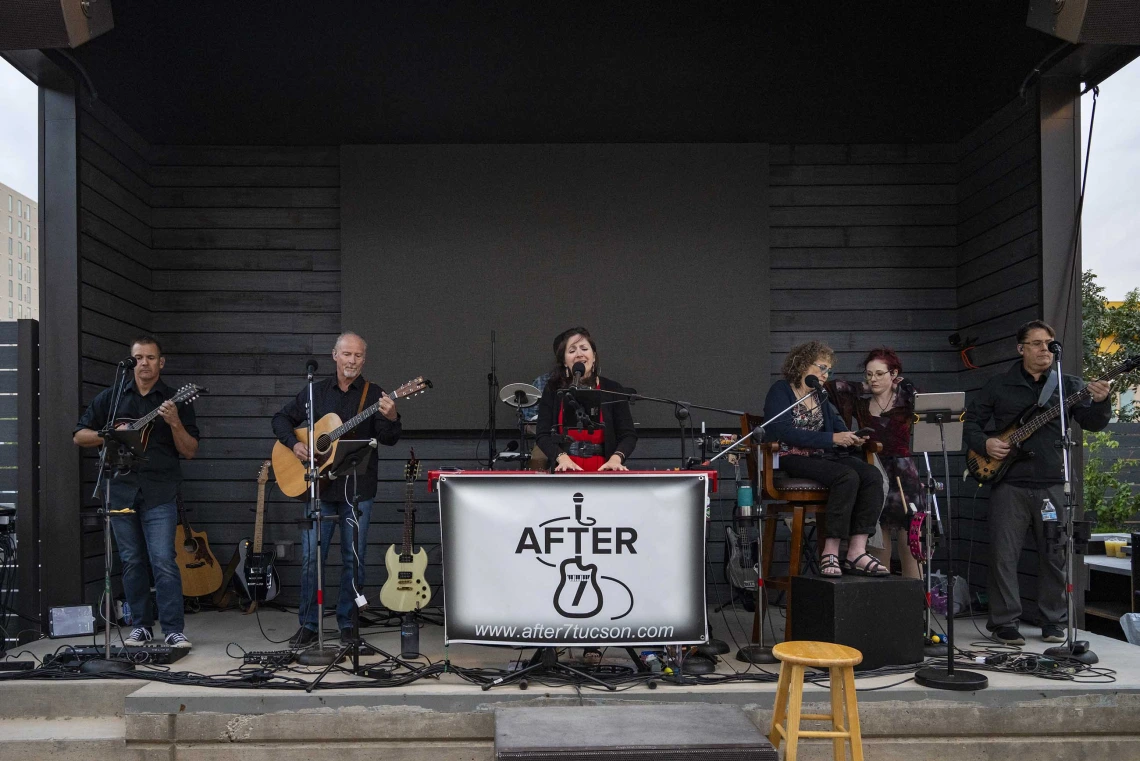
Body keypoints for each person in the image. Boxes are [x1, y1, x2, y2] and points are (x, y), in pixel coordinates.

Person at [964, 320, 1111, 645]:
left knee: (1055, 553)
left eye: (1049, 344)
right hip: (1009, 483)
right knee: (1003, 556)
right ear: (1021, 348)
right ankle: (1004, 623)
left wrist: (1102, 401)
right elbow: (970, 421)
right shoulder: (999, 385)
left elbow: (1092, 423)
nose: (1045, 349)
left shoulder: (1068, 385)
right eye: (1037, 343)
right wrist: (985, 444)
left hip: (1052, 482)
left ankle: (1054, 621)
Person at [272, 332, 402, 647]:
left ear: (364, 359)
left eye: (358, 356)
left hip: (357, 490)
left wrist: (393, 416)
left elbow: (388, 438)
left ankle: (348, 624)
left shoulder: (375, 395)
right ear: (335, 355)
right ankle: (309, 626)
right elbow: (280, 419)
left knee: (352, 558)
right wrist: (295, 445)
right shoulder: (315, 392)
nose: (352, 361)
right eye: (347, 354)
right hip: (319, 488)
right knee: (311, 558)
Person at [73, 336, 200, 650]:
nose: (145, 363)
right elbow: (79, 435)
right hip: (119, 489)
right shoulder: (113, 399)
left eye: (151, 357)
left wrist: (173, 423)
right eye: (139, 358)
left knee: (163, 560)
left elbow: (190, 450)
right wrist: (110, 436)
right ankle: (140, 626)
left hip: (159, 490)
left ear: (161, 362)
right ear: (131, 362)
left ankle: (172, 629)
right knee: (131, 561)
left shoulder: (174, 399)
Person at [763, 341, 887, 577]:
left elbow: (836, 425)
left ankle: (856, 550)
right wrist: (832, 439)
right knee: (846, 476)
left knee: (871, 475)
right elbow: (782, 432)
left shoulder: (820, 396)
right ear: (801, 365)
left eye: (828, 370)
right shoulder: (782, 390)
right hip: (791, 456)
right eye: (821, 367)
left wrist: (852, 437)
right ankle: (830, 552)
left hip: (822, 458)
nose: (825, 374)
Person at [828, 348, 922, 579]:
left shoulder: (906, 400)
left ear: (894, 373)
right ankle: (884, 603)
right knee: (877, 537)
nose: (874, 379)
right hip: (874, 470)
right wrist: (866, 387)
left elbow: (919, 395)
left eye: (880, 374)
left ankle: (915, 603)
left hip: (904, 472)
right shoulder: (861, 403)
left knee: (910, 537)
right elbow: (834, 387)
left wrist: (898, 384)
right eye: (869, 374)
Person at [535, 327, 637, 472]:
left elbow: (628, 435)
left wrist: (616, 459)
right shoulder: (553, 389)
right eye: (571, 351)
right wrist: (561, 457)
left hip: (604, 469)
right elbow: (543, 434)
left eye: (584, 348)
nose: (579, 354)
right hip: (565, 468)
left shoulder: (612, 388)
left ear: (594, 356)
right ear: (564, 361)